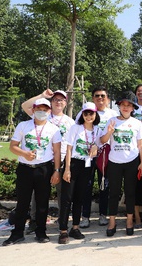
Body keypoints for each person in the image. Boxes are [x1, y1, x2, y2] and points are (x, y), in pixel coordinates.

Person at [3, 98, 62, 246]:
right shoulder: (23, 125)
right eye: (39, 109)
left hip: (44, 168)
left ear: (49, 111)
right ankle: (17, 233)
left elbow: (57, 151)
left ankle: (41, 232)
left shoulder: (53, 129)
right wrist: (24, 154)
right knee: (22, 202)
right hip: (25, 169)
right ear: (33, 110)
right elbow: (12, 146)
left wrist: (56, 171)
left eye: (45, 109)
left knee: (42, 202)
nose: (42, 112)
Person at [20, 89, 75, 233]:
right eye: (55, 99)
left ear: (66, 103)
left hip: (61, 159)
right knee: (37, 194)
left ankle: (62, 221)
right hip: (43, 160)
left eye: (61, 100)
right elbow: (25, 105)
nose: (58, 102)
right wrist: (42, 96)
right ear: (51, 102)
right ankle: (34, 221)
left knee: (63, 193)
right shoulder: (43, 115)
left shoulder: (70, 121)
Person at [100, 92, 142, 237]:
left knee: (130, 193)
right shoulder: (112, 121)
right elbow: (102, 141)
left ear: (133, 108)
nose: (126, 107)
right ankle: (112, 221)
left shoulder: (137, 123)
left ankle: (129, 221)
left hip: (132, 161)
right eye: (123, 105)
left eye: (129, 105)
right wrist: (109, 132)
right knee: (113, 193)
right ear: (119, 106)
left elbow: (140, 144)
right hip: (114, 161)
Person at [58, 102, 100, 244]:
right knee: (66, 199)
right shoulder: (75, 128)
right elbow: (69, 148)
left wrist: (95, 147)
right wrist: (67, 169)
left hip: (87, 166)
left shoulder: (97, 129)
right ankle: (63, 230)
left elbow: (99, 145)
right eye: (86, 113)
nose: (89, 116)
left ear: (95, 115)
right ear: (82, 114)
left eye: (91, 113)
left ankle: (75, 228)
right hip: (73, 163)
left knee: (79, 198)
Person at [81, 86, 118, 228]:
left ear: (108, 99)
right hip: (88, 155)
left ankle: (103, 215)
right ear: (93, 98)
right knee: (87, 186)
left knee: (104, 186)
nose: (100, 98)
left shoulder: (113, 115)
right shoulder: (84, 113)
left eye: (103, 96)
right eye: (97, 96)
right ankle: (85, 216)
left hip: (106, 154)